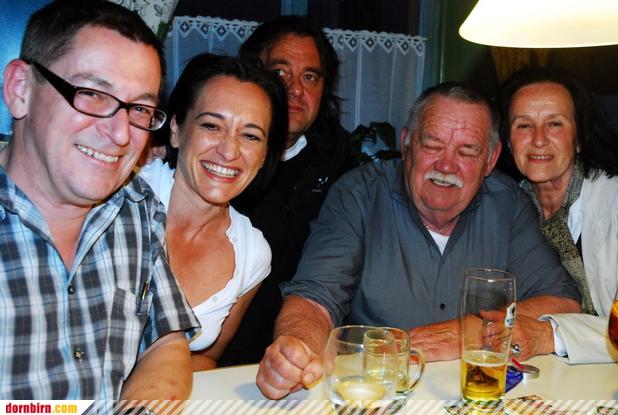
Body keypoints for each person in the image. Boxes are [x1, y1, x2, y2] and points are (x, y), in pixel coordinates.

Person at [255, 82, 582, 400]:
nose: (446, 165)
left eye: (467, 151)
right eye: (432, 145)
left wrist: (467, 332)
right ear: (406, 143)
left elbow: (563, 302)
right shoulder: (359, 195)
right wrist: (296, 349)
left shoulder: (508, 204)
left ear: (491, 159)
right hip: (379, 395)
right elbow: (314, 299)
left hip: (477, 396)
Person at [0, 0, 199, 402]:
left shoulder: (137, 209)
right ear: (21, 88)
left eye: (140, 108)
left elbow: (165, 342)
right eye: (92, 94)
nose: (121, 134)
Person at [138, 53, 288, 371]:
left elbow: (205, 358)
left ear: (264, 155)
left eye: (250, 136)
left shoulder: (252, 252)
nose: (229, 151)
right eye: (211, 125)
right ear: (176, 129)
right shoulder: (125, 195)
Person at [219, 15, 352, 366]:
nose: (295, 89)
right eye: (281, 72)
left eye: (310, 77)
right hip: (219, 355)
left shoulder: (339, 159)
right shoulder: (219, 159)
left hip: (306, 355)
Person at [497, 67, 618, 364]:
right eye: (524, 125)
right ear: (508, 142)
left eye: (554, 124)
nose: (538, 139)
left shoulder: (613, 200)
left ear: (579, 139)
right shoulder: (504, 208)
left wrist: (552, 335)